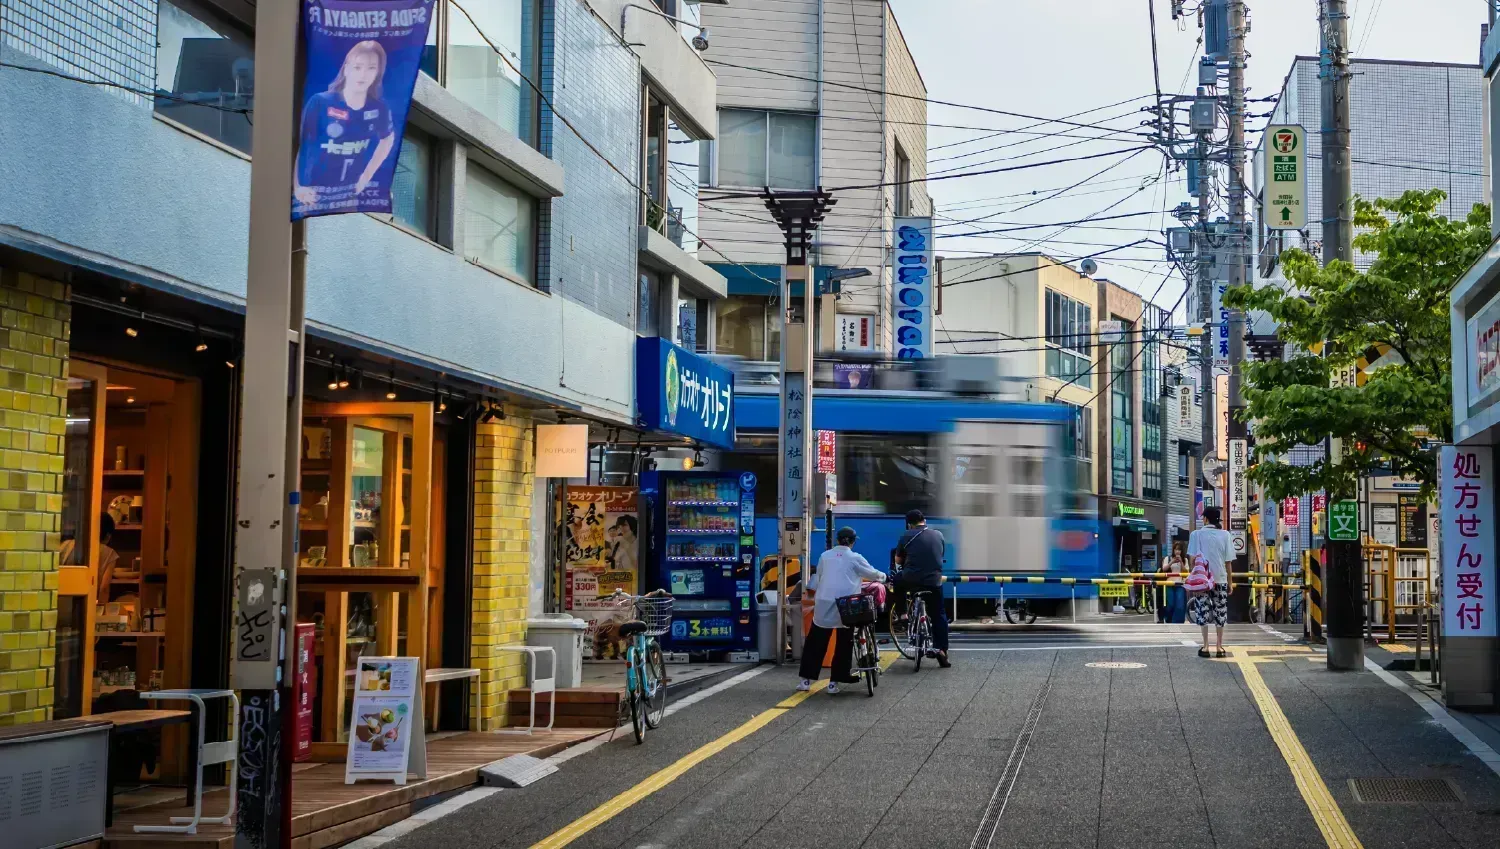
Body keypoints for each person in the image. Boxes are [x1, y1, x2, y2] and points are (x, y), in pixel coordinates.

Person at [294, 40, 397, 212]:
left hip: (346, 200)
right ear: (347, 68)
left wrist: (365, 177)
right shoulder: (321, 102)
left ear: (378, 72)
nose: (363, 74)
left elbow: (388, 139)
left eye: (371, 68)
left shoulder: (379, 109)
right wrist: (298, 187)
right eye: (357, 67)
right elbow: (300, 145)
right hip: (311, 196)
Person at [797, 527, 885, 693]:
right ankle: (834, 683)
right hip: (846, 606)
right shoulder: (855, 557)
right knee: (844, 643)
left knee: (815, 643)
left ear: (837, 540)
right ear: (853, 542)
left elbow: (819, 577)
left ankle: (805, 682)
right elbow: (874, 574)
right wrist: (884, 577)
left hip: (823, 604)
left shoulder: (825, 556)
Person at [891, 509, 951, 668]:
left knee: (897, 581)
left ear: (909, 524)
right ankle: (942, 649)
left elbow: (898, 560)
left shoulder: (906, 535)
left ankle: (903, 614)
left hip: (911, 579)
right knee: (939, 614)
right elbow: (940, 555)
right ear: (924, 520)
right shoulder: (938, 535)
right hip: (934, 581)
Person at [1187, 506, 1234, 658]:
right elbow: (1228, 562)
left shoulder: (1196, 534)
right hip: (1220, 579)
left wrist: (1193, 577)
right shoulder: (1225, 535)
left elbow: (1192, 560)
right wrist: (1230, 582)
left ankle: (1206, 646)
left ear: (1206, 519)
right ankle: (1219, 647)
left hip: (1202, 580)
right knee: (1221, 611)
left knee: (1202, 611)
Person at [1159, 540, 1190, 623]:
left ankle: (1177, 622)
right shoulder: (1168, 558)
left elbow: (1186, 572)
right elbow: (1164, 569)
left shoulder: (1185, 560)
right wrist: (1171, 562)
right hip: (1169, 584)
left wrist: (1181, 562)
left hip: (1180, 584)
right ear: (1173, 550)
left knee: (1180, 605)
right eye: (1176, 549)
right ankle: (1168, 619)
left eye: (1179, 550)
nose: (1177, 551)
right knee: (1170, 604)